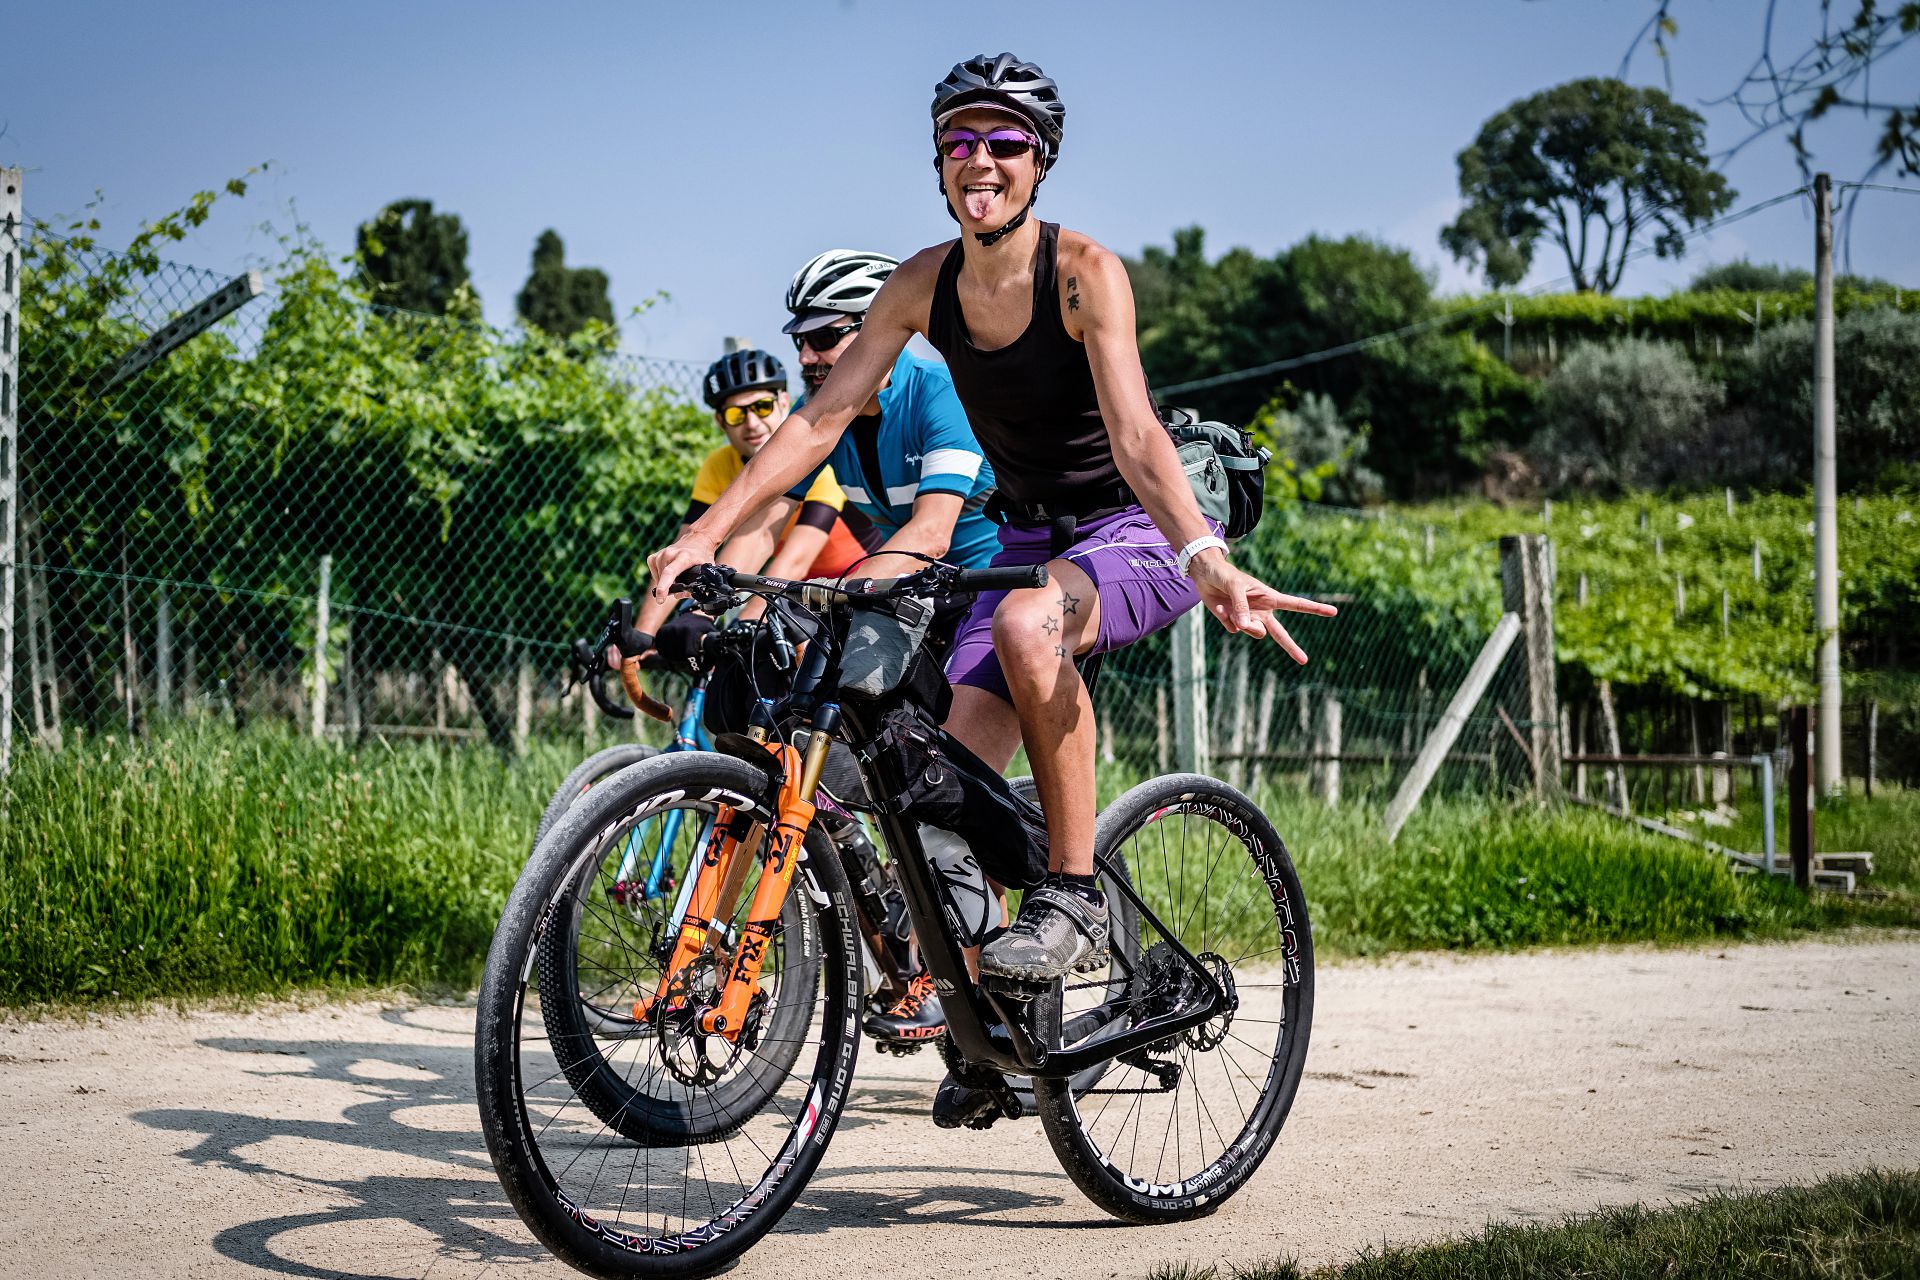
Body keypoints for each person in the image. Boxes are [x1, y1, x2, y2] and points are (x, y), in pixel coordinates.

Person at [646, 52, 1335, 1125]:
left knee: (1027, 622)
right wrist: (703, 533)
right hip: (1027, 536)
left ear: (1039, 160)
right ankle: (999, 1033)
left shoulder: (1083, 272)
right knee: (931, 796)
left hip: (1135, 528)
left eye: (1004, 141)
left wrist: (1207, 558)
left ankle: (1074, 891)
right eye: (959, 141)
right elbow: (818, 420)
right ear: (936, 161)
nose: (981, 160)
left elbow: (1136, 436)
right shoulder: (921, 284)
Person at [625, 347, 877, 650]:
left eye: (762, 407)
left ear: (784, 402)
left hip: (857, 582)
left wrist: (747, 623)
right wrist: (642, 637)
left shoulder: (817, 459)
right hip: (792, 592)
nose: (752, 423)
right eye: (736, 414)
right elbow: (683, 553)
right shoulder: (719, 465)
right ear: (720, 422)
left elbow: (794, 560)